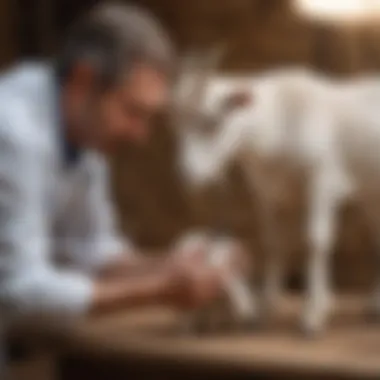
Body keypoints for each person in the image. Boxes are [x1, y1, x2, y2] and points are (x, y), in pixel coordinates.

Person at [0, 1, 245, 335]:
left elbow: (88, 248)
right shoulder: (13, 133)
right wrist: (157, 292)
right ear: (84, 81)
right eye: (132, 112)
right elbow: (17, 291)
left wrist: (167, 266)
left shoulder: (85, 140)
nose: (141, 136)